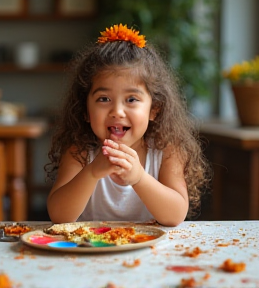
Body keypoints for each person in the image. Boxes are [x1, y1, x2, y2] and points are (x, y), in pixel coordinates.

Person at [45, 24, 210, 226]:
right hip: (92, 253)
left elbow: (175, 215)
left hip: (150, 255)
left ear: (154, 109)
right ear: (86, 111)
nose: (117, 111)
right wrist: (92, 172)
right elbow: (59, 216)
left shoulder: (167, 150)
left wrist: (139, 177)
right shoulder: (79, 151)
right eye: (104, 99)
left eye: (131, 100)